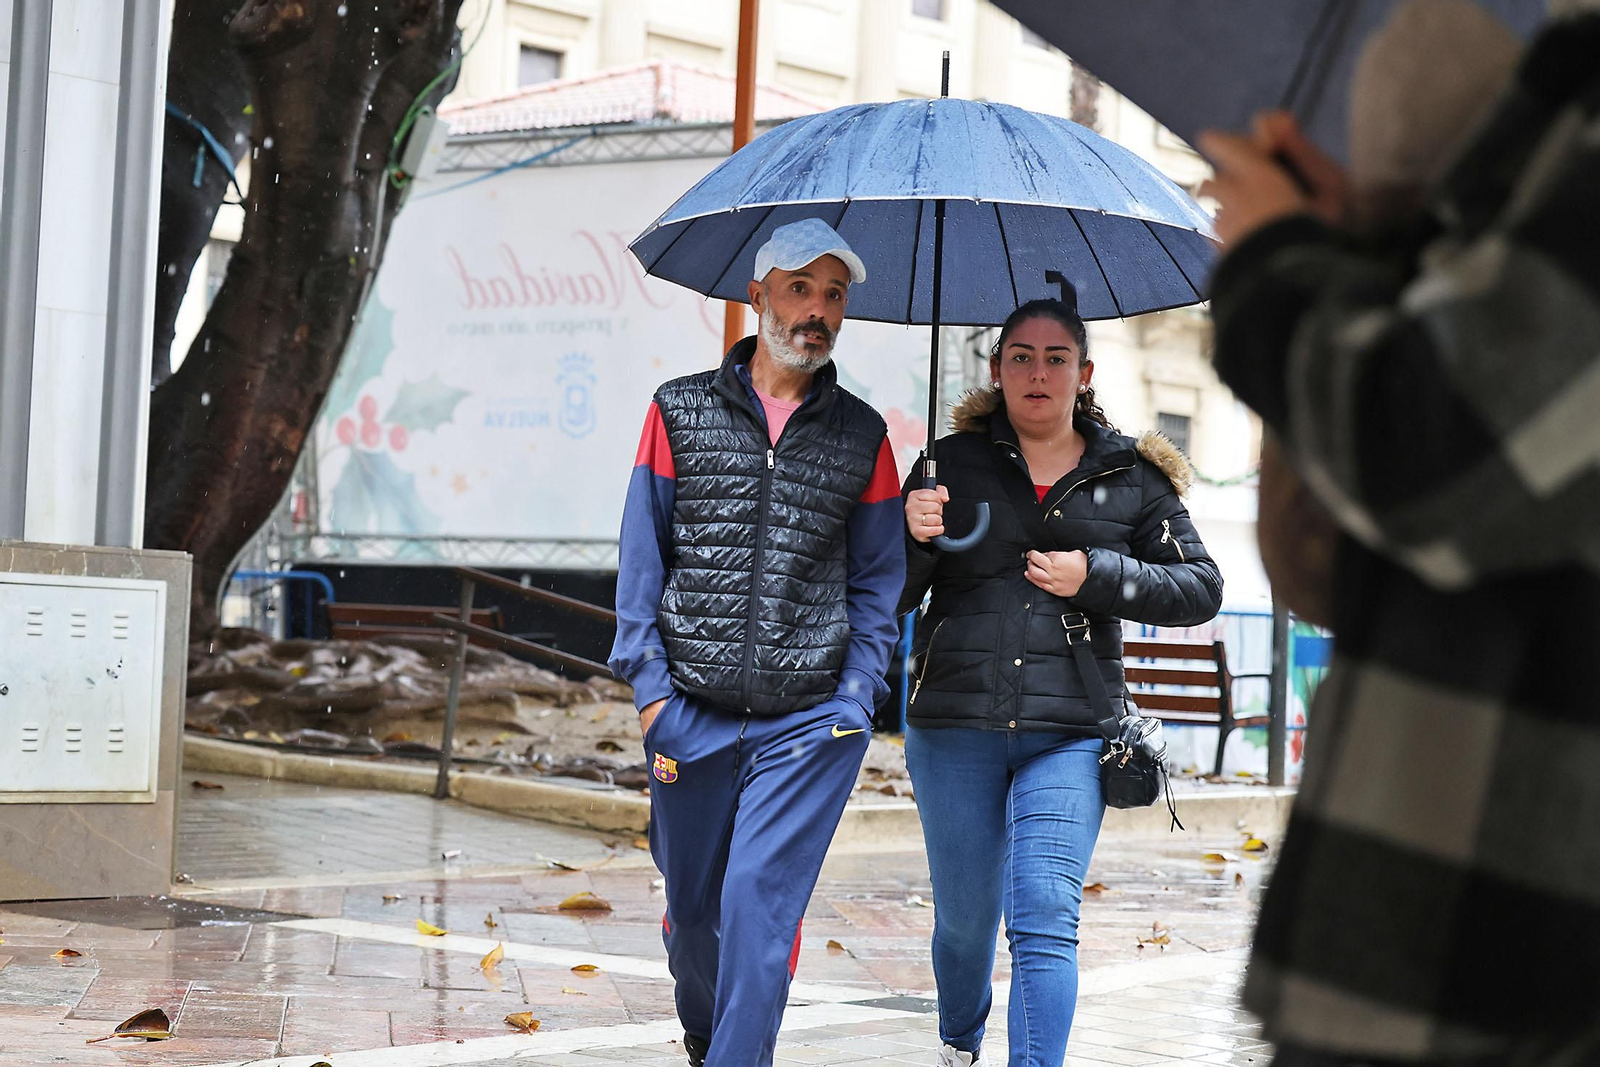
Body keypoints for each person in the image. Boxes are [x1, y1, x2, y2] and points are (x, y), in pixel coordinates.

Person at [1198, 3, 1600, 1063]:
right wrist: (1363, 243)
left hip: (1488, 938)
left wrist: (1278, 260)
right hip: (1455, 916)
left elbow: (1436, 443)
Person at [608, 217, 905, 1067]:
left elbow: (878, 582)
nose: (818, 311)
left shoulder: (863, 438)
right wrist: (653, 694)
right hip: (689, 715)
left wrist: (855, 696)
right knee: (695, 915)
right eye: (802, 289)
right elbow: (641, 557)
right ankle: (710, 1038)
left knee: (757, 907)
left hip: (809, 723)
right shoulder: (678, 408)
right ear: (759, 295)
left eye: (835, 295)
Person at [899, 293, 1223, 1067]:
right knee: (965, 923)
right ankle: (959, 1039)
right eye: (1021, 357)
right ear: (996, 368)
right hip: (953, 724)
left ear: (1084, 373)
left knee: (1044, 912)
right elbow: (891, 592)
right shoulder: (947, 463)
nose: (1037, 372)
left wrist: (1096, 573)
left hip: (1073, 730)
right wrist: (909, 537)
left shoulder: (1133, 476)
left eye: (1055, 358)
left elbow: (1201, 587)